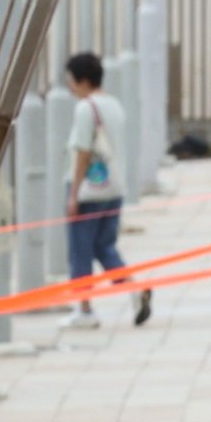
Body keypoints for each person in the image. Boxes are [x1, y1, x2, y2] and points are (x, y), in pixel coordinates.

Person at [58, 50, 147, 328]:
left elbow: (83, 152)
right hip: (113, 189)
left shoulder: (86, 108)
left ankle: (84, 310)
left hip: (89, 191)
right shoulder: (115, 105)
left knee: (80, 249)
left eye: (71, 81)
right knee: (105, 246)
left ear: (83, 81)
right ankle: (134, 288)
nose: (70, 87)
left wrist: (73, 195)